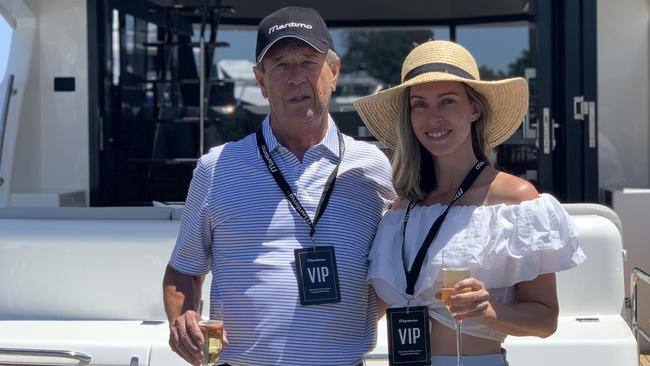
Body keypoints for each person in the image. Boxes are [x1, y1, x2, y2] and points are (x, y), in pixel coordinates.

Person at [163, 6, 394, 366]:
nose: (296, 77)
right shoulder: (217, 167)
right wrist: (182, 319)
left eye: (307, 61)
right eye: (281, 65)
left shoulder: (375, 169)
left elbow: (393, 270)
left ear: (333, 72)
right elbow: (183, 269)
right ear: (260, 81)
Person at [354, 40, 585, 366]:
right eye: (419, 104)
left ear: (474, 109)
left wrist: (489, 311)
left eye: (447, 102)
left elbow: (545, 321)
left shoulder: (516, 201)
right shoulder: (398, 209)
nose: (432, 117)